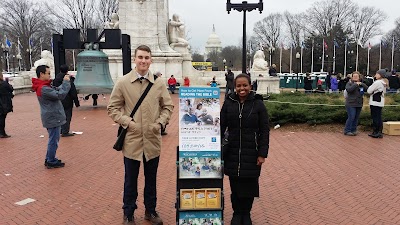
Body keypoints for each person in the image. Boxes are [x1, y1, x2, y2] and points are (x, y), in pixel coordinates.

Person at [107, 45, 173, 225]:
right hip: (132, 140)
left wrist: (160, 122)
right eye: (140, 57)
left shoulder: (158, 83)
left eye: (146, 58)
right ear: (135, 59)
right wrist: (128, 123)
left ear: (151, 60)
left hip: (152, 140)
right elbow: (112, 108)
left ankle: (150, 211)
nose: (143, 61)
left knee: (151, 180)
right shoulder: (123, 82)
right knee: (130, 180)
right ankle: (128, 212)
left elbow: (168, 107)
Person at [221, 73, 269, 225]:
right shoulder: (229, 102)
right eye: (239, 86)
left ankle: (246, 214)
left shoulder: (258, 104)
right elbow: (221, 126)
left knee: (249, 186)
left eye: (245, 85)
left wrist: (262, 154)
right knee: (235, 186)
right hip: (233, 150)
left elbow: (264, 130)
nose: (242, 88)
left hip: (252, 151)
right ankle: (236, 213)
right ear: (235, 87)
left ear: (250, 86)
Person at [32, 65, 71, 169]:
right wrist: (66, 83)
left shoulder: (43, 86)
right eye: (48, 73)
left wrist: (63, 83)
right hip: (52, 117)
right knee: (53, 140)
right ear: (41, 74)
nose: (50, 75)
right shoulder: (43, 88)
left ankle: (49, 157)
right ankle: (50, 160)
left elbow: (57, 90)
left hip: (51, 116)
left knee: (53, 139)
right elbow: (60, 95)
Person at [53, 64, 80, 137]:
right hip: (68, 100)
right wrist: (76, 102)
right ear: (67, 70)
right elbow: (73, 91)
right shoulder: (68, 79)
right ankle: (65, 131)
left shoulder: (56, 79)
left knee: (60, 115)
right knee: (67, 116)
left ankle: (61, 130)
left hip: (59, 99)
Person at [343, 71, 368, 136]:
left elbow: (367, 89)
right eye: (354, 76)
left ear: (359, 77)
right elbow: (349, 90)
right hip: (351, 103)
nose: (355, 77)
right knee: (351, 116)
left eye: (357, 76)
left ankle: (353, 130)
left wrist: (361, 84)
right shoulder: (349, 83)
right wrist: (355, 84)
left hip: (359, 103)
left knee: (356, 117)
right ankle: (347, 130)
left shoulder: (361, 84)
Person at [367, 69, 387, 138]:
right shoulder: (384, 83)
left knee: (375, 117)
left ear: (380, 75)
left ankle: (376, 131)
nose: (375, 75)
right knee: (379, 117)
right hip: (380, 102)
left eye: (377, 74)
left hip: (375, 102)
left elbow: (369, 90)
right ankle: (379, 131)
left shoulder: (377, 82)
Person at [0, 72, 13, 138]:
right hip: (4, 102)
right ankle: (2, 132)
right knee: (2, 117)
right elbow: (11, 88)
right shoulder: (4, 83)